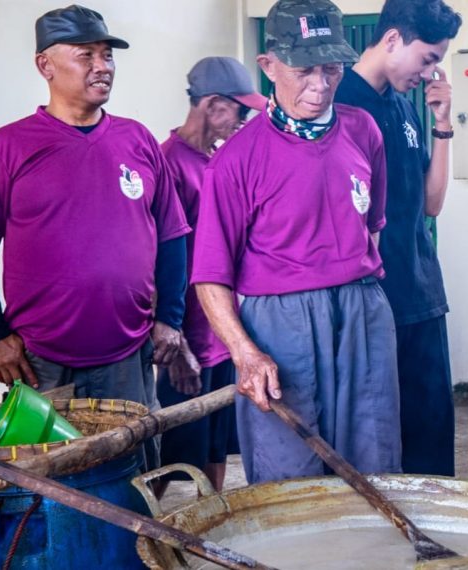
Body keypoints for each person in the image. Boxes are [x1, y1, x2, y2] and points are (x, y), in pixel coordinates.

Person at [0, 5, 190, 473]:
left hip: (128, 354)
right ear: (46, 65)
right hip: (41, 362)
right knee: (49, 490)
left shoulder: (137, 141)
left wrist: (171, 318)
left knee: (135, 481)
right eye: (86, 55)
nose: (102, 66)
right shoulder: (9, 147)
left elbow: (173, 238)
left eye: (107, 55)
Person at [192, 0, 401, 484]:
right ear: (269, 66)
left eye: (332, 69)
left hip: (361, 312)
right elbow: (210, 276)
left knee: (375, 466)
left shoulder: (362, 129)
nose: (321, 85)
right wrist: (245, 352)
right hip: (278, 323)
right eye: (305, 70)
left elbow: (372, 225)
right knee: (289, 477)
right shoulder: (236, 160)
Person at [334, 0, 462, 477]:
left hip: (421, 293)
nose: (431, 71)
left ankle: (435, 549)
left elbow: (431, 204)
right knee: (378, 446)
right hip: (373, 298)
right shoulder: (341, 102)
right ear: (392, 40)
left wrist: (443, 126)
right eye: (427, 58)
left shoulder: (406, 108)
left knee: (431, 441)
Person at [155, 56, 266, 493]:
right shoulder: (169, 164)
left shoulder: (218, 161)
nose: (243, 120)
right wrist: (176, 342)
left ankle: (214, 529)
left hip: (223, 333)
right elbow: (160, 260)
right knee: (175, 453)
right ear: (213, 105)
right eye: (240, 110)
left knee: (216, 448)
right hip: (191, 338)